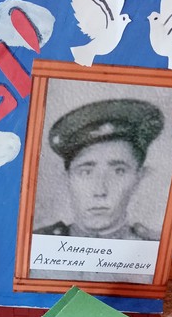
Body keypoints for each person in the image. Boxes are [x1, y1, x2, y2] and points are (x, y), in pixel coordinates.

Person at [36, 99, 164, 241]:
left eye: (118, 171)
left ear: (138, 178)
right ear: (67, 178)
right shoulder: (38, 241)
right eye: (86, 172)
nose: (100, 191)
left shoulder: (154, 246)